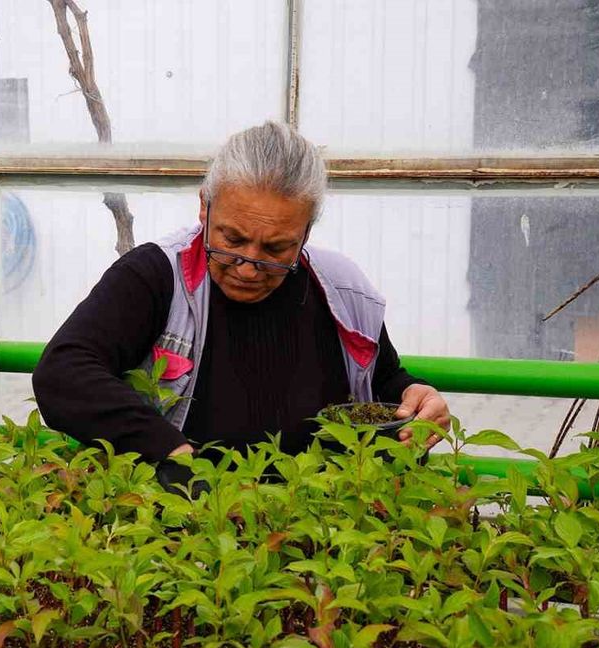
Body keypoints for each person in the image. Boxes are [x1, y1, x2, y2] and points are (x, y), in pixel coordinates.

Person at [32, 122, 449, 482]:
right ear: (204, 206)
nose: (248, 267)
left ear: (305, 234)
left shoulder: (342, 291)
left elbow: (384, 379)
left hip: (318, 529)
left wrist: (416, 396)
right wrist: (168, 450)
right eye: (232, 239)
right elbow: (64, 372)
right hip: (185, 525)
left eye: (276, 248)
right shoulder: (156, 277)